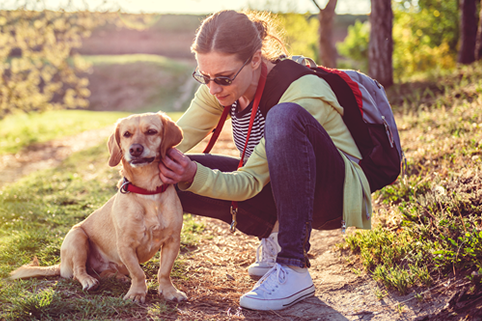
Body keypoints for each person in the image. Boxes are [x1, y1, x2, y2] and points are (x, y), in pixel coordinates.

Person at [158, 10, 372, 311]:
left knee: (283, 117)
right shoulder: (220, 88)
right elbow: (172, 140)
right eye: (204, 77)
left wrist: (194, 174)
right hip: (278, 186)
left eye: (223, 78)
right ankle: (273, 232)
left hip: (330, 196)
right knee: (165, 171)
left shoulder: (301, 92)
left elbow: (248, 182)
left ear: (255, 60)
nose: (213, 88)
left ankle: (294, 267)